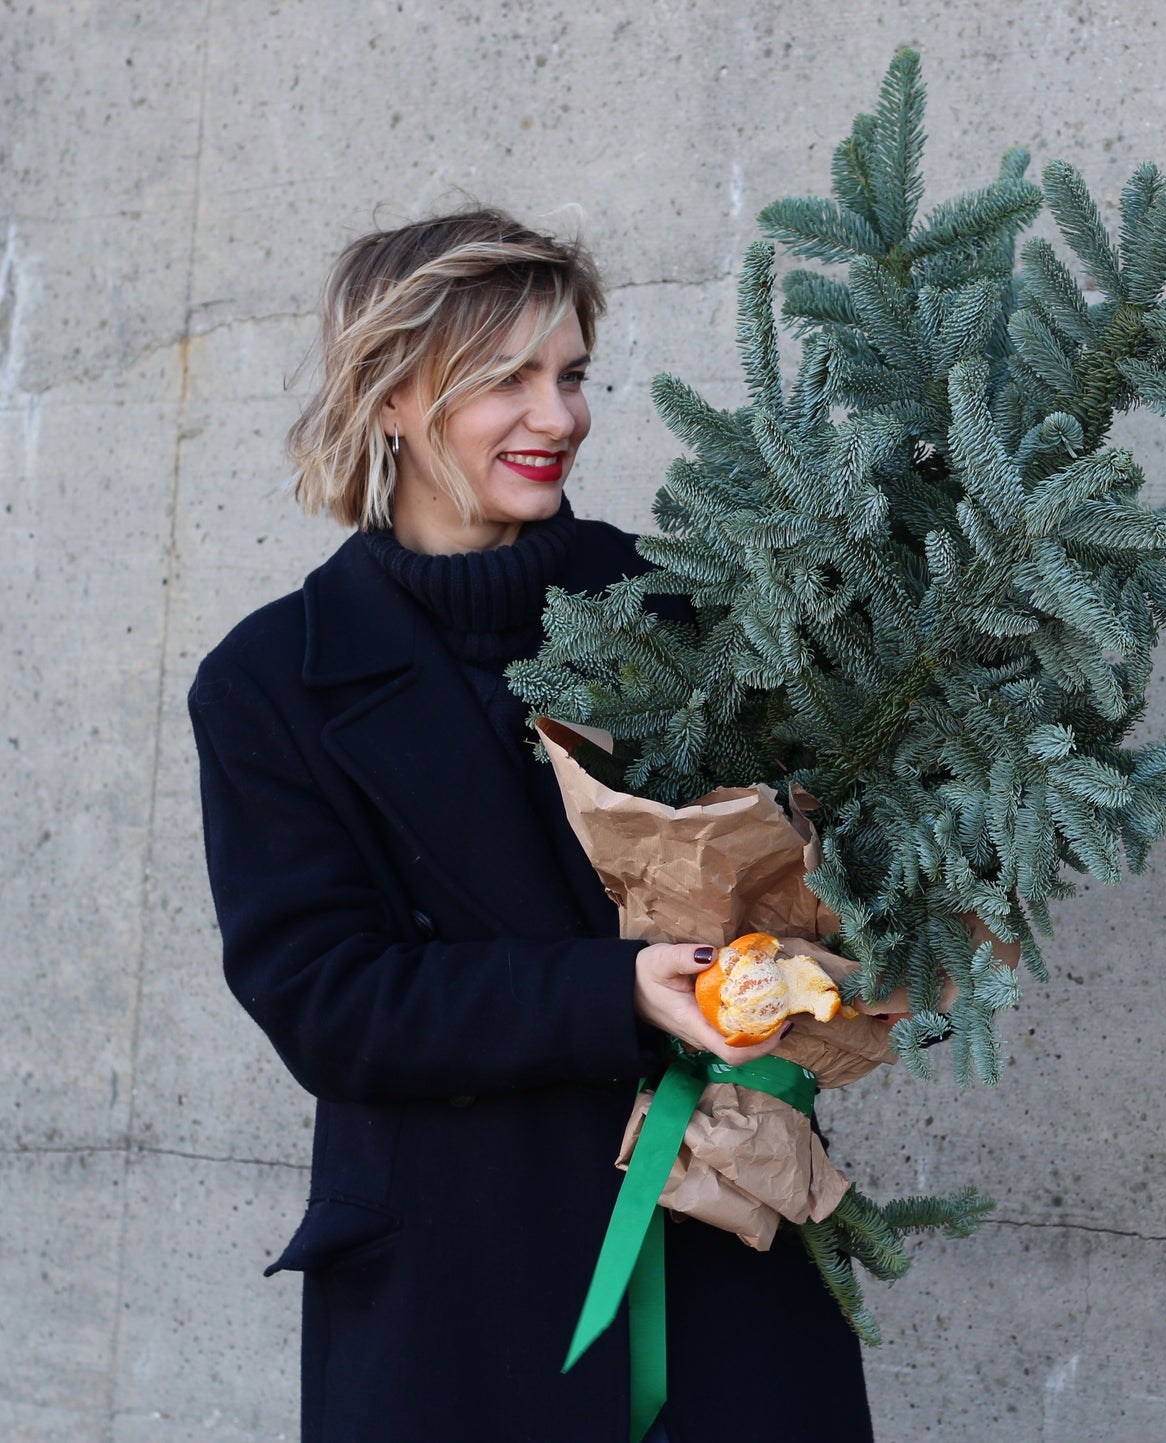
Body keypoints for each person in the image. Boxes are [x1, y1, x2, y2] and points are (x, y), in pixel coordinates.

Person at [189, 207, 874, 1443]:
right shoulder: (270, 683)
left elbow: (821, 866)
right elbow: (326, 1004)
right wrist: (613, 992)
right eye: (505, 379)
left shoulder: (685, 617)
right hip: (460, 1290)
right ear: (390, 394)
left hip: (713, 1246)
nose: (558, 418)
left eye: (569, 375)